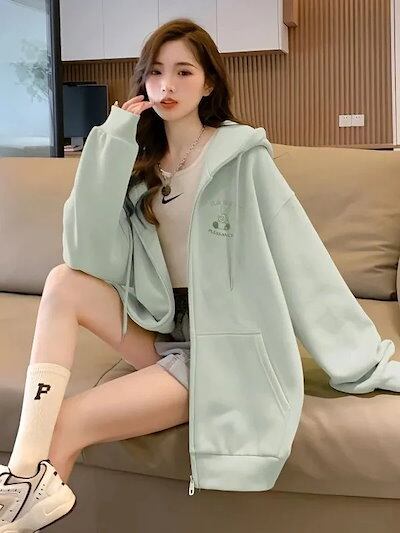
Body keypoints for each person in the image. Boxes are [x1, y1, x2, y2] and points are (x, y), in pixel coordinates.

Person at [0, 17, 249, 531]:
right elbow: (83, 252)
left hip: (218, 349)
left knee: (65, 422)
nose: (167, 85)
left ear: (209, 83)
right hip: (161, 331)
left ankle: (17, 489)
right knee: (62, 280)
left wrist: (352, 357)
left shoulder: (239, 153)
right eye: (156, 72)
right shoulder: (141, 160)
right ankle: (20, 482)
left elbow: (291, 262)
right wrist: (111, 142)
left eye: (184, 72)